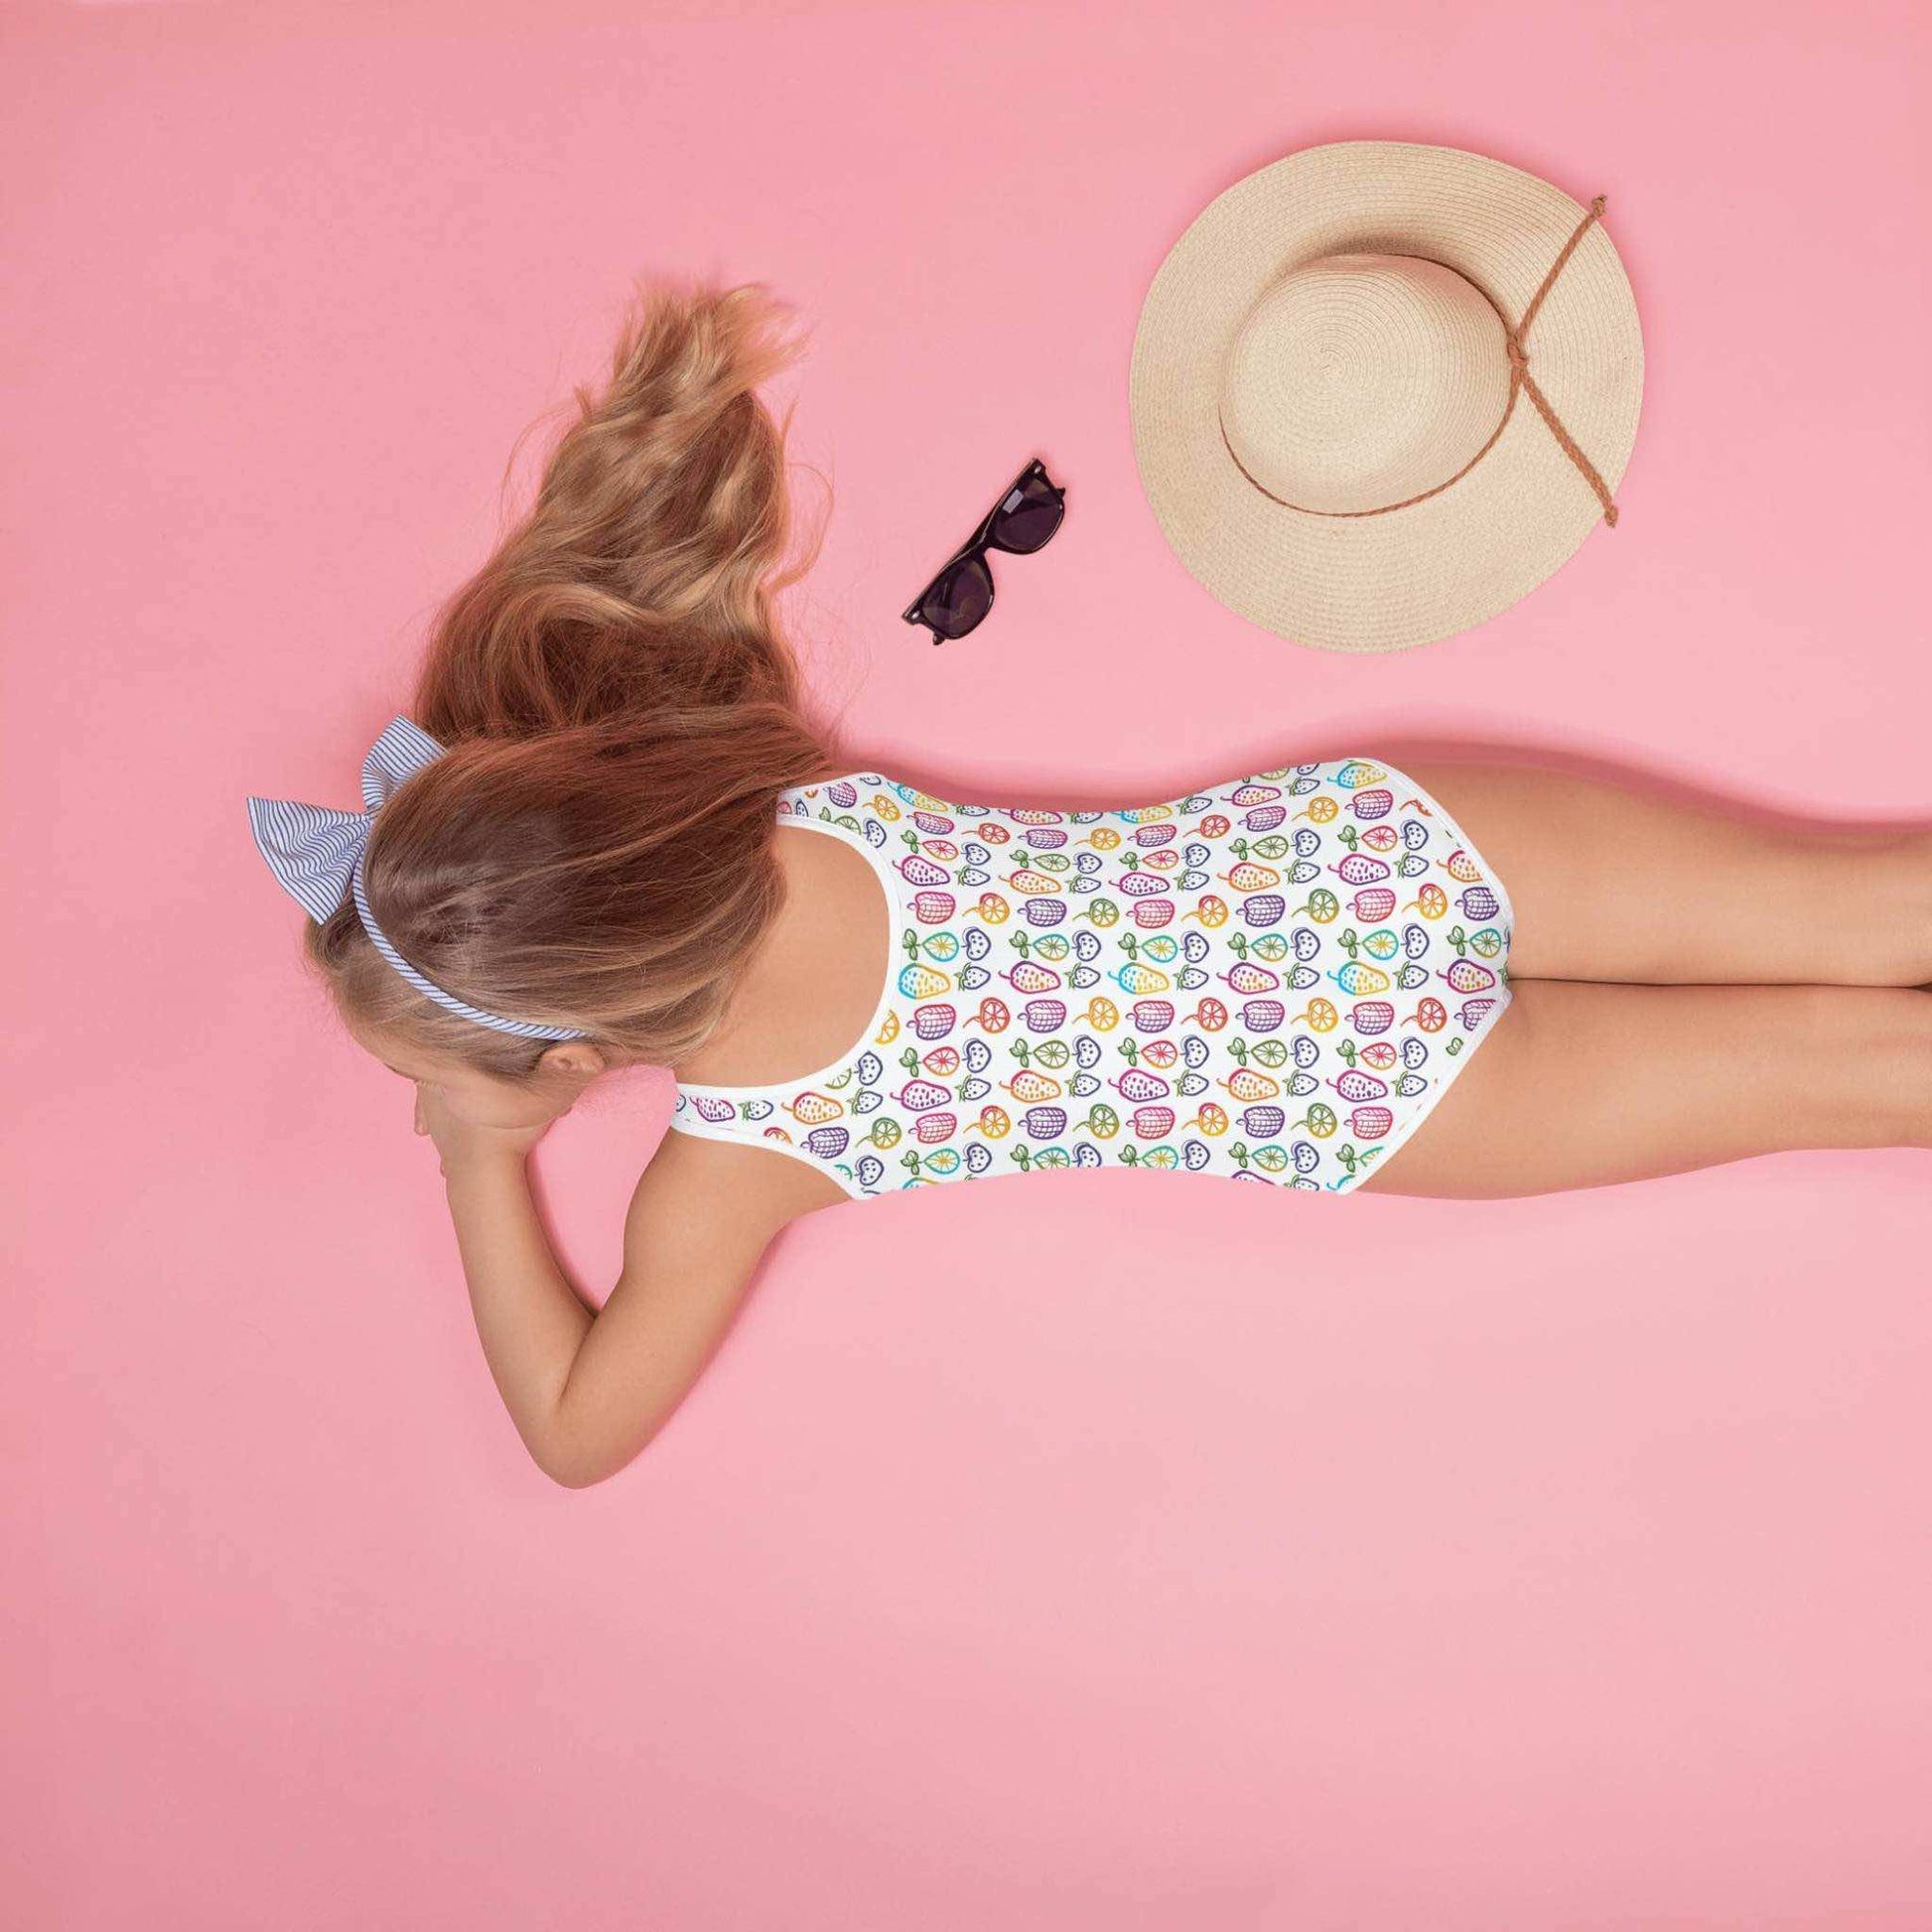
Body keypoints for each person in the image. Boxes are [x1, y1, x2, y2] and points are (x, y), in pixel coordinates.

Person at [247, 280, 1932, 1488]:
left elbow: (573, 1435)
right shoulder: (749, 793)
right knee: (1873, 906)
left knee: (1857, 1074)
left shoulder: (734, 1172)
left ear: (572, 1056)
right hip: (1360, 860)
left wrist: (477, 1150)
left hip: (1364, 1095)